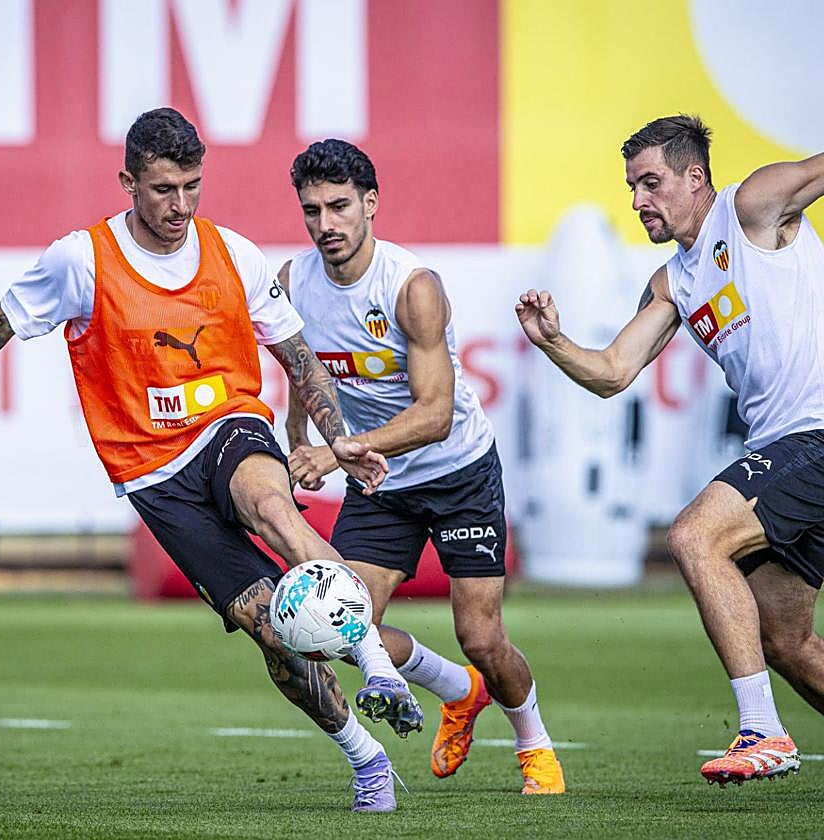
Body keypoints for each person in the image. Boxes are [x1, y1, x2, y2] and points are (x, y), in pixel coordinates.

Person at [0, 107, 417, 812]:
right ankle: (364, 757)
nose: (180, 205)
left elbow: (299, 359)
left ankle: (375, 666)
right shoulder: (79, 260)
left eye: (192, 186)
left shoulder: (233, 254)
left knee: (270, 504)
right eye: (162, 189)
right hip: (153, 476)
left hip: (229, 426)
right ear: (127, 182)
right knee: (271, 630)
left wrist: (335, 438)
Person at [517, 114, 822, 785]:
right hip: (788, 452)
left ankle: (763, 732)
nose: (637, 201)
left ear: (694, 178)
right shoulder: (673, 281)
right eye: (630, 187)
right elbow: (613, 373)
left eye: (650, 183)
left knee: (693, 536)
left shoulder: (752, 207)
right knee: (784, 640)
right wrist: (553, 340)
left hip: (817, 435)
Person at [281, 139, 567, 794]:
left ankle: (534, 742)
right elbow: (300, 366)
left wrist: (338, 450)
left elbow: (435, 414)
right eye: (312, 210)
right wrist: (301, 440)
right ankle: (458, 693)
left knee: (482, 636)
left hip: (458, 471)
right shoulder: (295, 282)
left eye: (339, 206)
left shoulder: (412, 288)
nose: (326, 224)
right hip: (379, 481)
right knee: (343, 629)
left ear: (371, 204)